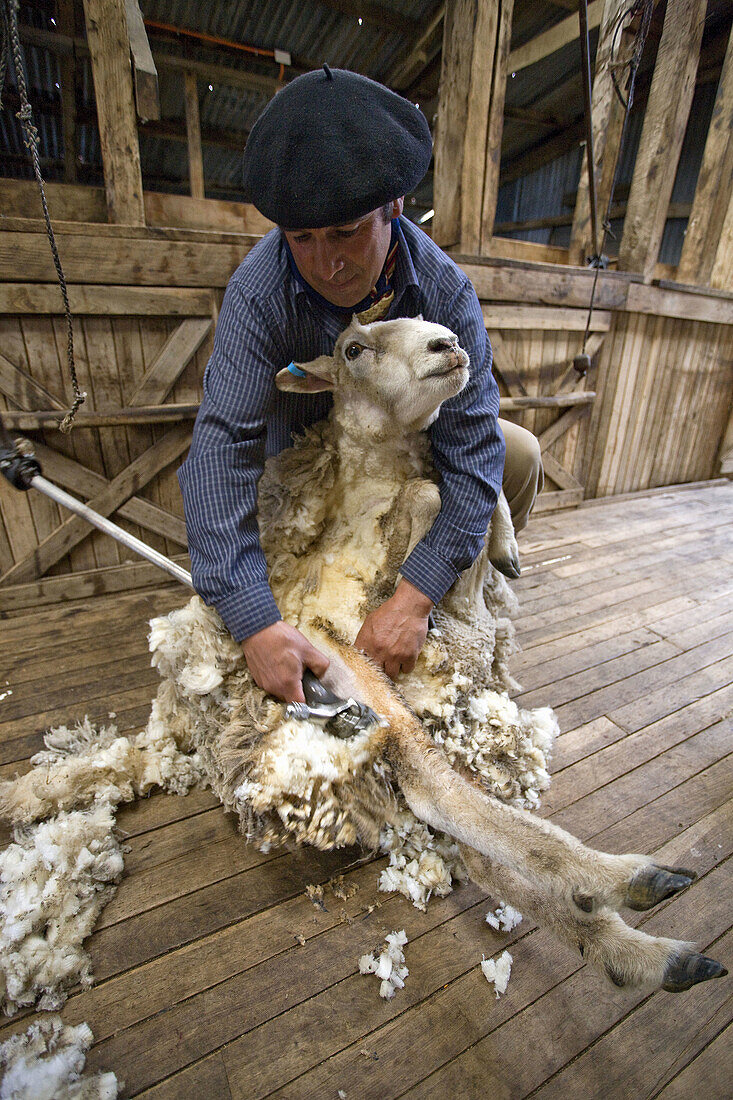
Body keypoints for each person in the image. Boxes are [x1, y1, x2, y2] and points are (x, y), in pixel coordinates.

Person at [178, 66, 543, 705]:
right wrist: (254, 620)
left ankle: (460, 613)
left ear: (393, 206)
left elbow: (473, 447)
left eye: (345, 231)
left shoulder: (446, 292)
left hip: (407, 460)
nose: (327, 264)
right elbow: (219, 448)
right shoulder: (260, 294)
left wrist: (415, 595)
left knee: (516, 454)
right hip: (307, 472)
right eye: (303, 239)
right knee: (258, 585)